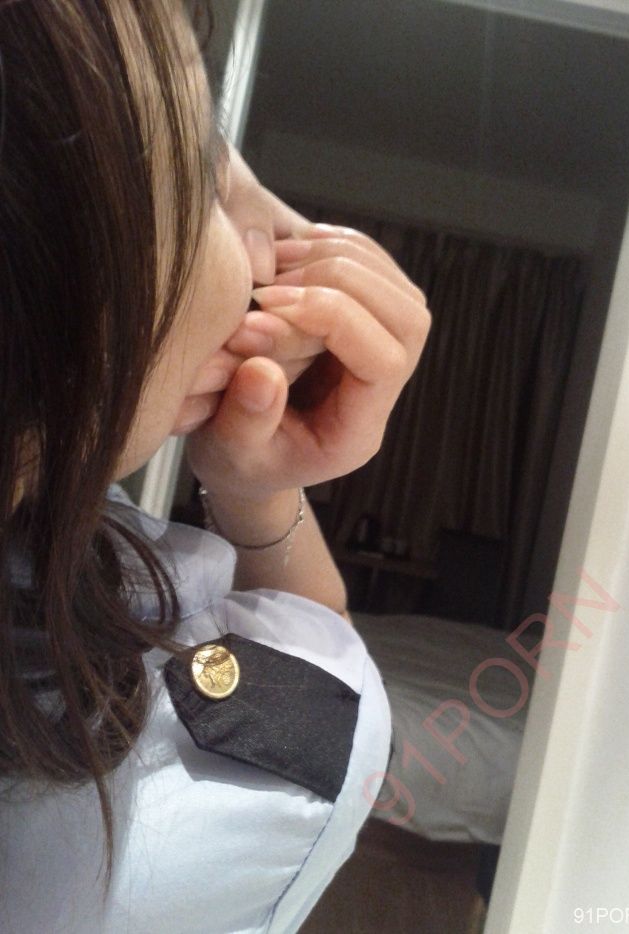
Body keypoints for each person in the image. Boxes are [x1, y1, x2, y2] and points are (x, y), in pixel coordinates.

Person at [0, 1, 430, 931]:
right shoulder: (164, 830)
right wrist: (257, 490)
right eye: (202, 164)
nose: (280, 233)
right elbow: (328, 689)